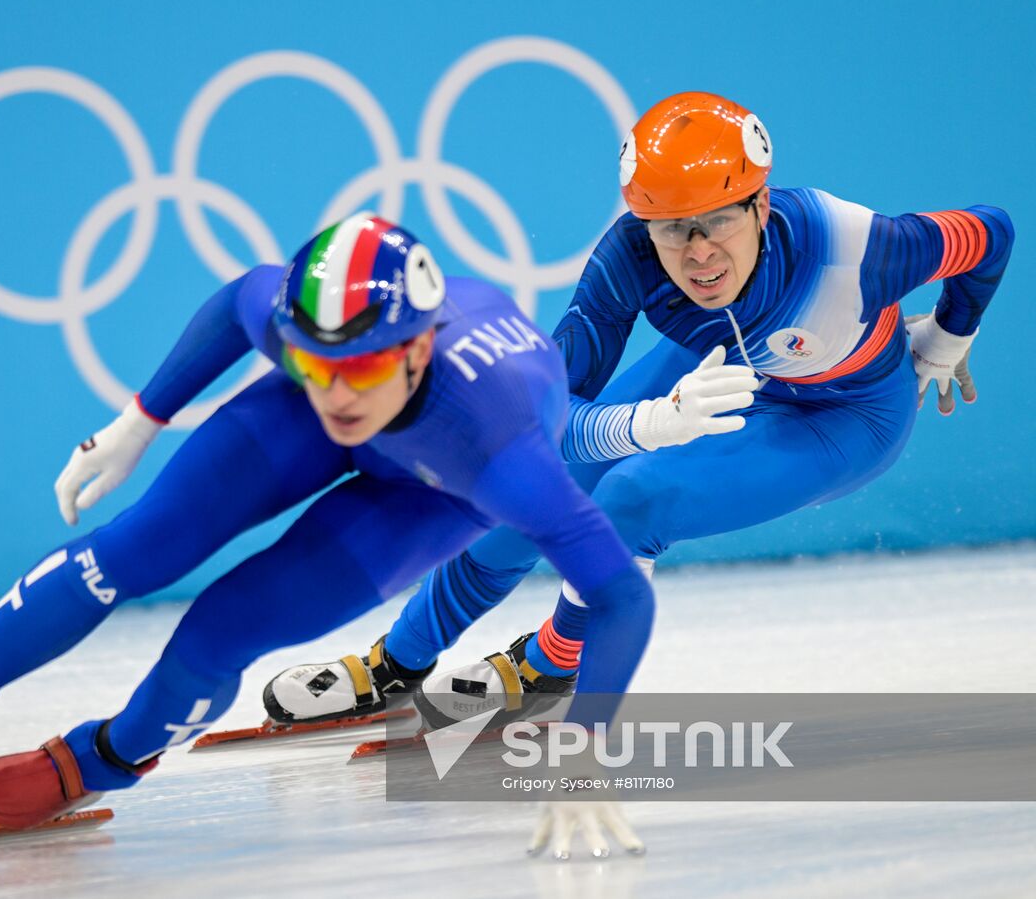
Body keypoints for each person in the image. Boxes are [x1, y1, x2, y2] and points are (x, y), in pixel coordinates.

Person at [264, 93, 1013, 858]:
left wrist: (952, 333)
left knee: (632, 498)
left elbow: (994, 231)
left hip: (846, 413)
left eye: (716, 221)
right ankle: (398, 660)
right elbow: (549, 418)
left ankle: (548, 662)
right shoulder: (629, 258)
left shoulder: (858, 247)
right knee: (532, 488)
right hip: (724, 367)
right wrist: (643, 423)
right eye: (670, 231)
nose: (696, 255)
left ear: (760, 206)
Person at [0, 213, 653, 840]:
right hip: (337, 428)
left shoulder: (502, 454)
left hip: (431, 488)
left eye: (359, 369)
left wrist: (589, 747)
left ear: (419, 349)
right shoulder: (320, 351)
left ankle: (100, 759)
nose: (337, 392)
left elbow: (621, 594)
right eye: (315, 363)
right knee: (129, 548)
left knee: (218, 633)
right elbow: (239, 301)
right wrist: (138, 420)